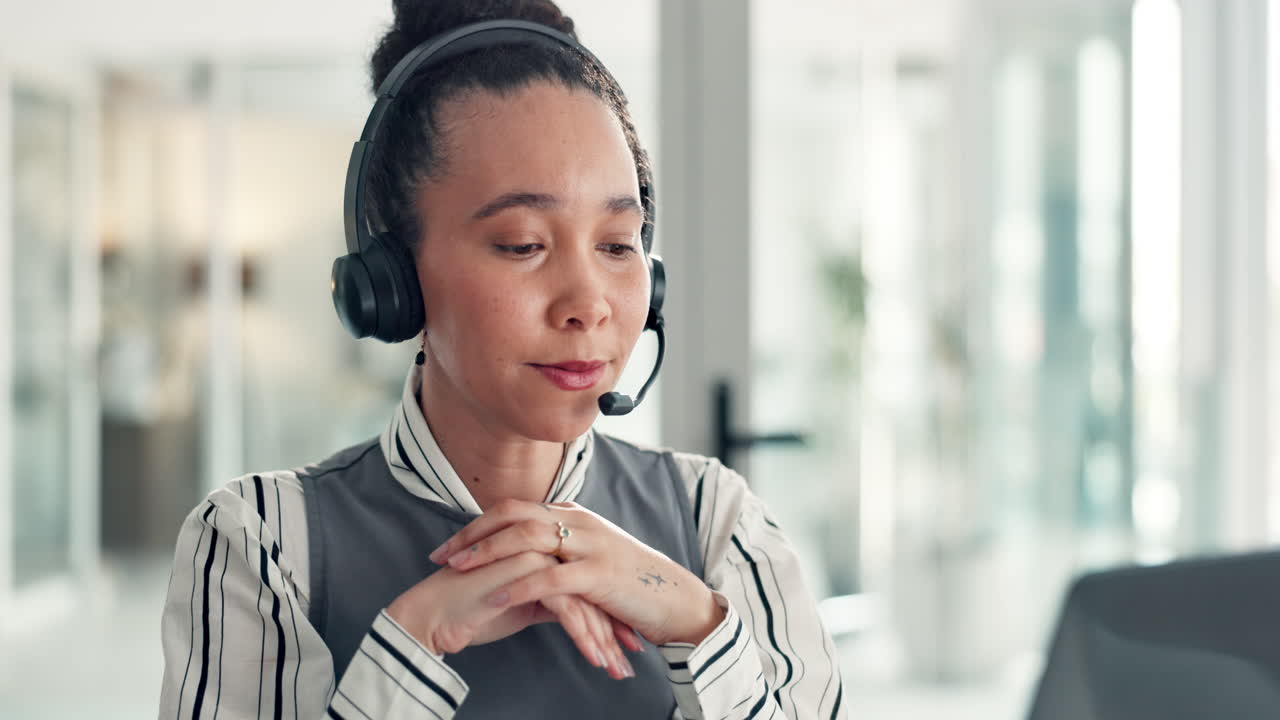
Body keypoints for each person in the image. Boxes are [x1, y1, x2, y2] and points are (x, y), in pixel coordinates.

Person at [158, 1, 847, 717]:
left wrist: (691, 619)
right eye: (523, 244)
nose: (589, 303)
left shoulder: (717, 523)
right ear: (392, 278)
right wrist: (413, 640)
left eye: (617, 244)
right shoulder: (263, 541)